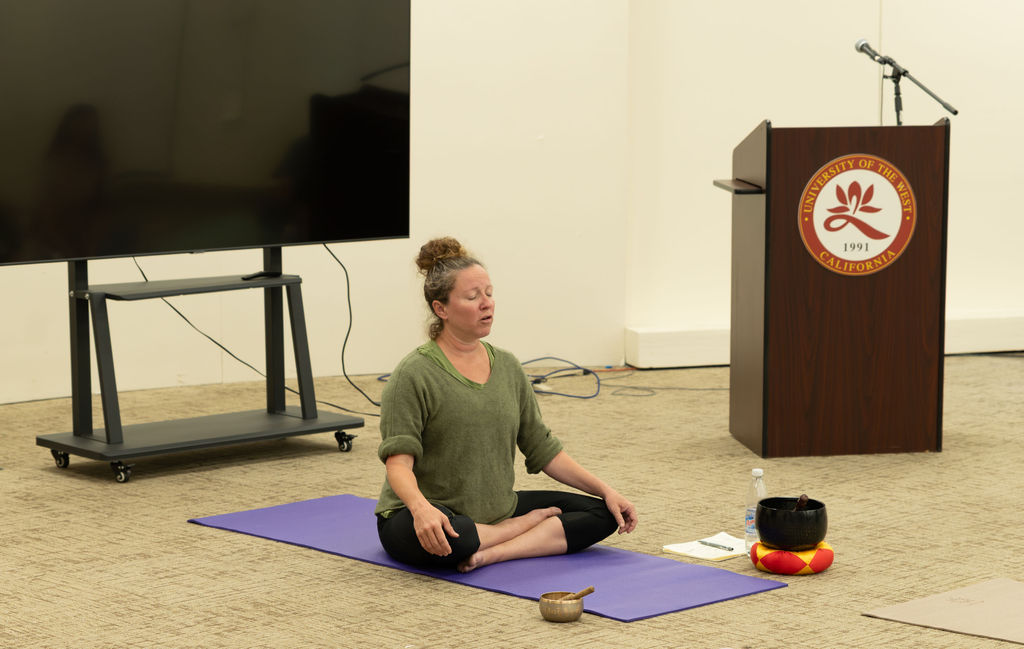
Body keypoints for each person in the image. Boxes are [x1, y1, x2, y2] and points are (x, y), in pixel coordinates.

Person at [375, 236, 637, 573]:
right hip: (421, 512)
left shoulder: (509, 367)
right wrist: (422, 510)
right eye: (473, 297)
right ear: (441, 309)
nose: (487, 304)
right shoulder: (413, 374)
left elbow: (543, 449)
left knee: (603, 513)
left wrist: (607, 490)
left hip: (498, 508)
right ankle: (516, 530)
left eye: (489, 293)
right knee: (454, 536)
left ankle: (494, 551)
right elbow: (398, 464)